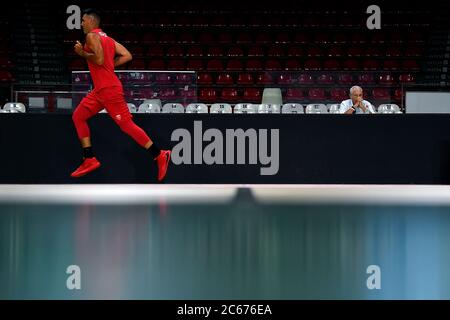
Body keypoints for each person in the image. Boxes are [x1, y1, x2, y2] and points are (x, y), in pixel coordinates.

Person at [71, 9, 171, 181]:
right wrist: (109, 66)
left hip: (109, 90)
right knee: (78, 116)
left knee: (126, 126)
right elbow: (127, 55)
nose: (81, 23)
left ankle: (159, 154)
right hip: (99, 91)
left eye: (83, 20)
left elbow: (100, 60)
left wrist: (82, 53)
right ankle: (89, 158)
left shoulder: (91, 37)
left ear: (92, 21)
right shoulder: (108, 39)